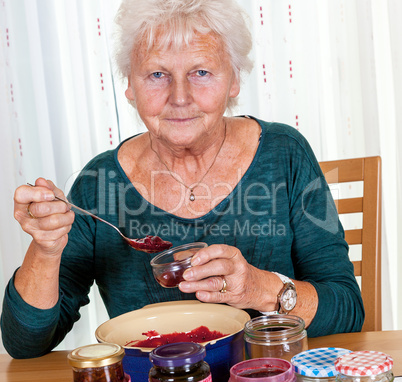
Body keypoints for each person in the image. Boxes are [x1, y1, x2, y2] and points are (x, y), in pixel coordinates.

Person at [1, 0, 364, 359]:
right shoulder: (99, 184)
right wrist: (46, 250)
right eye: (157, 74)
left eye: (201, 72)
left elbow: (347, 310)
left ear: (234, 80)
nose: (179, 97)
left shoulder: (285, 153)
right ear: (130, 85)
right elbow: (25, 343)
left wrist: (258, 288)